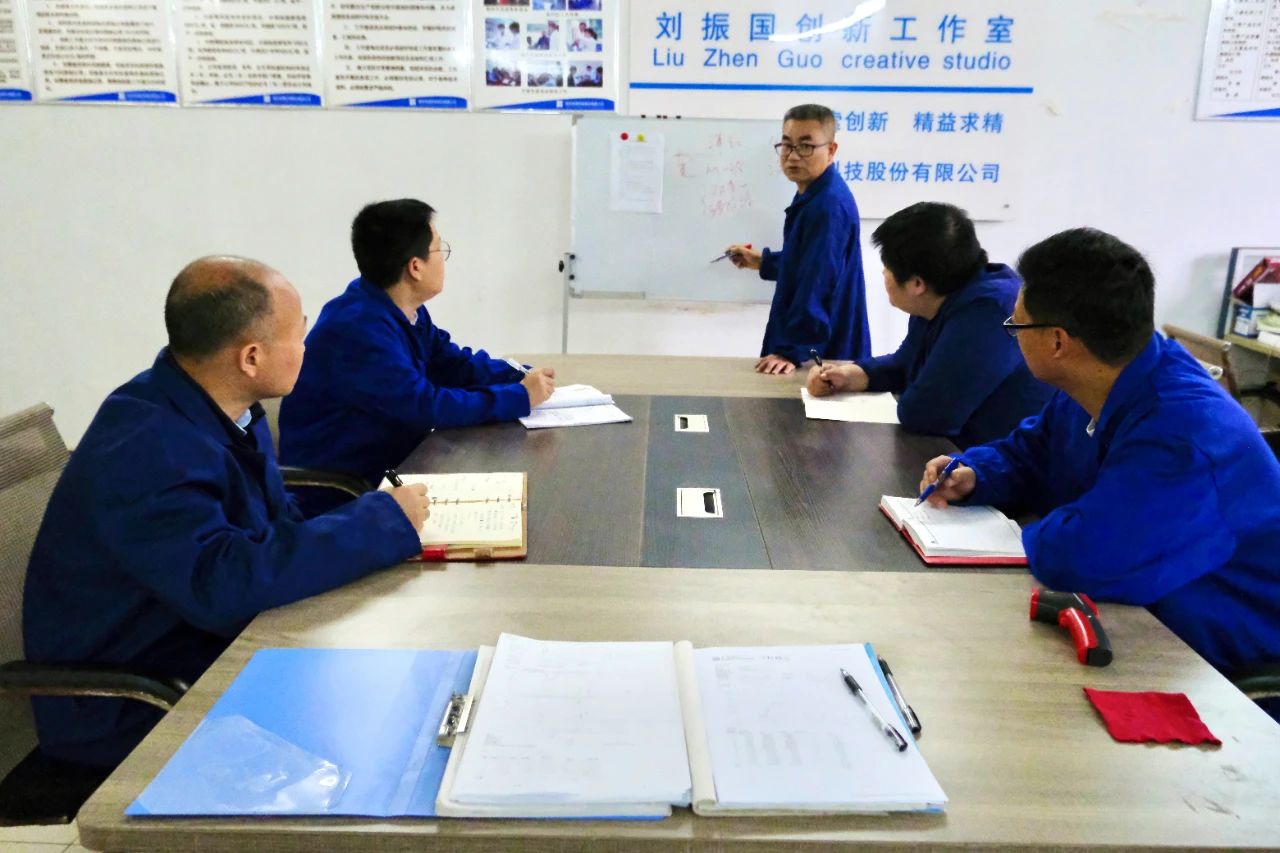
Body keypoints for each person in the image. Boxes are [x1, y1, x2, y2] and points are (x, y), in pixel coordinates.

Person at [22, 257, 430, 767]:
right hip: (131, 700)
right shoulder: (146, 447)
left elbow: (271, 526)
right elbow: (222, 583)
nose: (307, 348)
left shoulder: (218, 407)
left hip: (198, 644)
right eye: (299, 335)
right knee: (374, 730)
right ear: (251, 357)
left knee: (385, 682)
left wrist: (368, 528)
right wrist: (377, 524)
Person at [918, 228, 1280, 719]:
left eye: (1016, 326)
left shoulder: (1185, 433)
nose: (1013, 335)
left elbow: (1082, 558)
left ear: (1058, 342)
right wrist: (977, 473)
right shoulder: (1105, 378)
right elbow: (1032, 450)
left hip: (1222, 664)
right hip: (1140, 620)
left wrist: (1042, 526)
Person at [279, 199, 555, 515]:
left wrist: (519, 375)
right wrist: (518, 397)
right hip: (341, 495)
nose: (444, 261)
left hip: (392, 470)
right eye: (440, 250)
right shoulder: (356, 329)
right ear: (415, 267)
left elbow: (451, 364)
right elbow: (424, 406)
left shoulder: (399, 308)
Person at [807, 202, 1051, 447]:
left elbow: (926, 415)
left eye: (887, 267)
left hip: (1008, 460)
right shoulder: (942, 293)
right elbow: (906, 362)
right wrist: (854, 375)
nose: (883, 274)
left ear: (917, 284)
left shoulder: (989, 311)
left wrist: (909, 387)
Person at [726, 103, 870, 374]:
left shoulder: (827, 206)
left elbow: (819, 282)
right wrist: (763, 262)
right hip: (813, 346)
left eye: (805, 146)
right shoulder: (813, 193)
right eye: (786, 145)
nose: (792, 156)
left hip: (820, 354)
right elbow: (807, 260)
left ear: (831, 150)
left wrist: (792, 351)